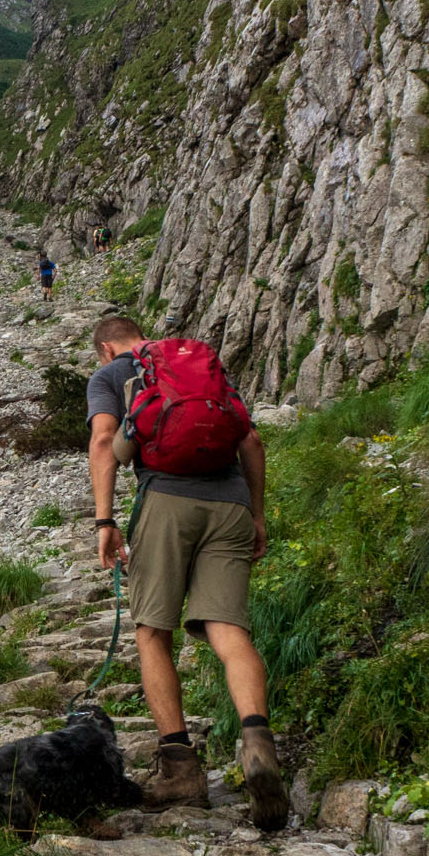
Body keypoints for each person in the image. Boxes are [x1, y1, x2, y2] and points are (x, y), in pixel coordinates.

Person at [85, 316, 288, 830]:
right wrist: (256, 515)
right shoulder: (197, 361)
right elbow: (252, 443)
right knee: (229, 630)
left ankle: (179, 770)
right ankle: (258, 744)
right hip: (232, 505)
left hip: (167, 499)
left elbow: (106, 442)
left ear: (107, 348)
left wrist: (105, 520)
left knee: (153, 631)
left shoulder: (111, 376)